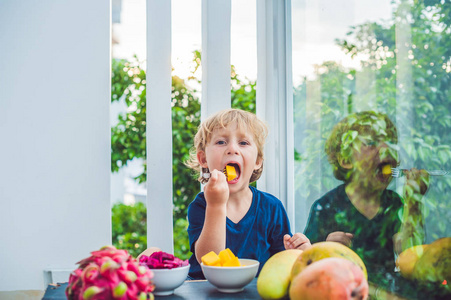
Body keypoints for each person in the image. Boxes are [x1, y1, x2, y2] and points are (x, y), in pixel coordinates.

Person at [303, 111, 429, 281]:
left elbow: (410, 255)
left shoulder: (393, 203)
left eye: (391, 143)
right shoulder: (326, 207)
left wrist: (414, 201)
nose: (385, 149)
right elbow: (307, 265)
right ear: (346, 161)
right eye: (370, 143)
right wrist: (327, 249)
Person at [185, 109, 311, 279]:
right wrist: (216, 205)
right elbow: (209, 260)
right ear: (204, 160)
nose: (232, 149)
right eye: (221, 142)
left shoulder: (271, 208)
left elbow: (281, 264)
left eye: (243, 143)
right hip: (206, 290)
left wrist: (298, 253)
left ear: (258, 161)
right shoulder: (202, 205)